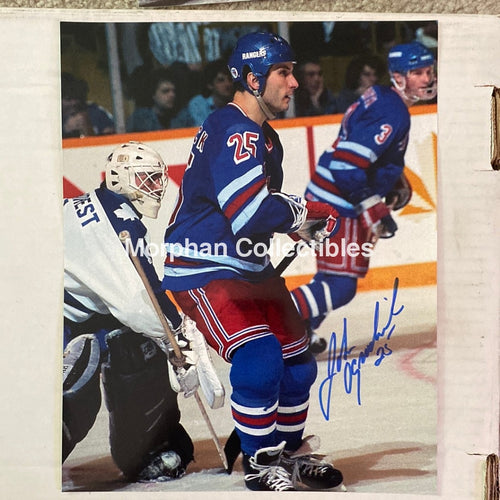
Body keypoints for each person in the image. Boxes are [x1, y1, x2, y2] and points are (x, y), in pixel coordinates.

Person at [162, 31, 343, 492]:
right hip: (203, 266)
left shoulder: (264, 137)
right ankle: (261, 464)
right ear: (251, 78)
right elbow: (248, 213)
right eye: (283, 73)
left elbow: (258, 215)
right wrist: (302, 211)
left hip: (246, 265)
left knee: (299, 363)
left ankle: (287, 452)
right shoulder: (235, 129)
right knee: (261, 358)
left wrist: (298, 225)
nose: (294, 83)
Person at [63, 141, 201, 482]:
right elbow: (140, 302)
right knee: (81, 396)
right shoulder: (122, 221)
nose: (156, 187)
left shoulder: (82, 204)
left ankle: (151, 444)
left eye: (157, 179)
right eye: (146, 179)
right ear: (118, 178)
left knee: (125, 340)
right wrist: (177, 339)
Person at [290, 42, 437, 354]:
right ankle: (274, 320)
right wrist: (376, 209)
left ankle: (299, 332)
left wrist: (391, 178)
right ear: (399, 76)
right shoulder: (393, 111)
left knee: (332, 277)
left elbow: (366, 155)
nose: (427, 79)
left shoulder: (382, 95)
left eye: (429, 71)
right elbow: (346, 166)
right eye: (418, 73)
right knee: (341, 287)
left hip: (329, 194)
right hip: (337, 202)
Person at [126, 68, 191, 132]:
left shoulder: (183, 117)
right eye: (165, 91)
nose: (172, 95)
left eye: (173, 91)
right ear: (153, 95)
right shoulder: (140, 119)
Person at [182, 59, 235, 126]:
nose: (227, 84)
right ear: (210, 85)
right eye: (221, 80)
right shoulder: (198, 104)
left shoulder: (238, 103)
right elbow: (203, 131)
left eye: (230, 80)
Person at [61, 72, 115, 138]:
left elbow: (112, 139)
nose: (73, 103)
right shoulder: (51, 118)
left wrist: (89, 128)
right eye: (68, 99)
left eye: (76, 98)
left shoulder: (96, 112)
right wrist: (65, 130)